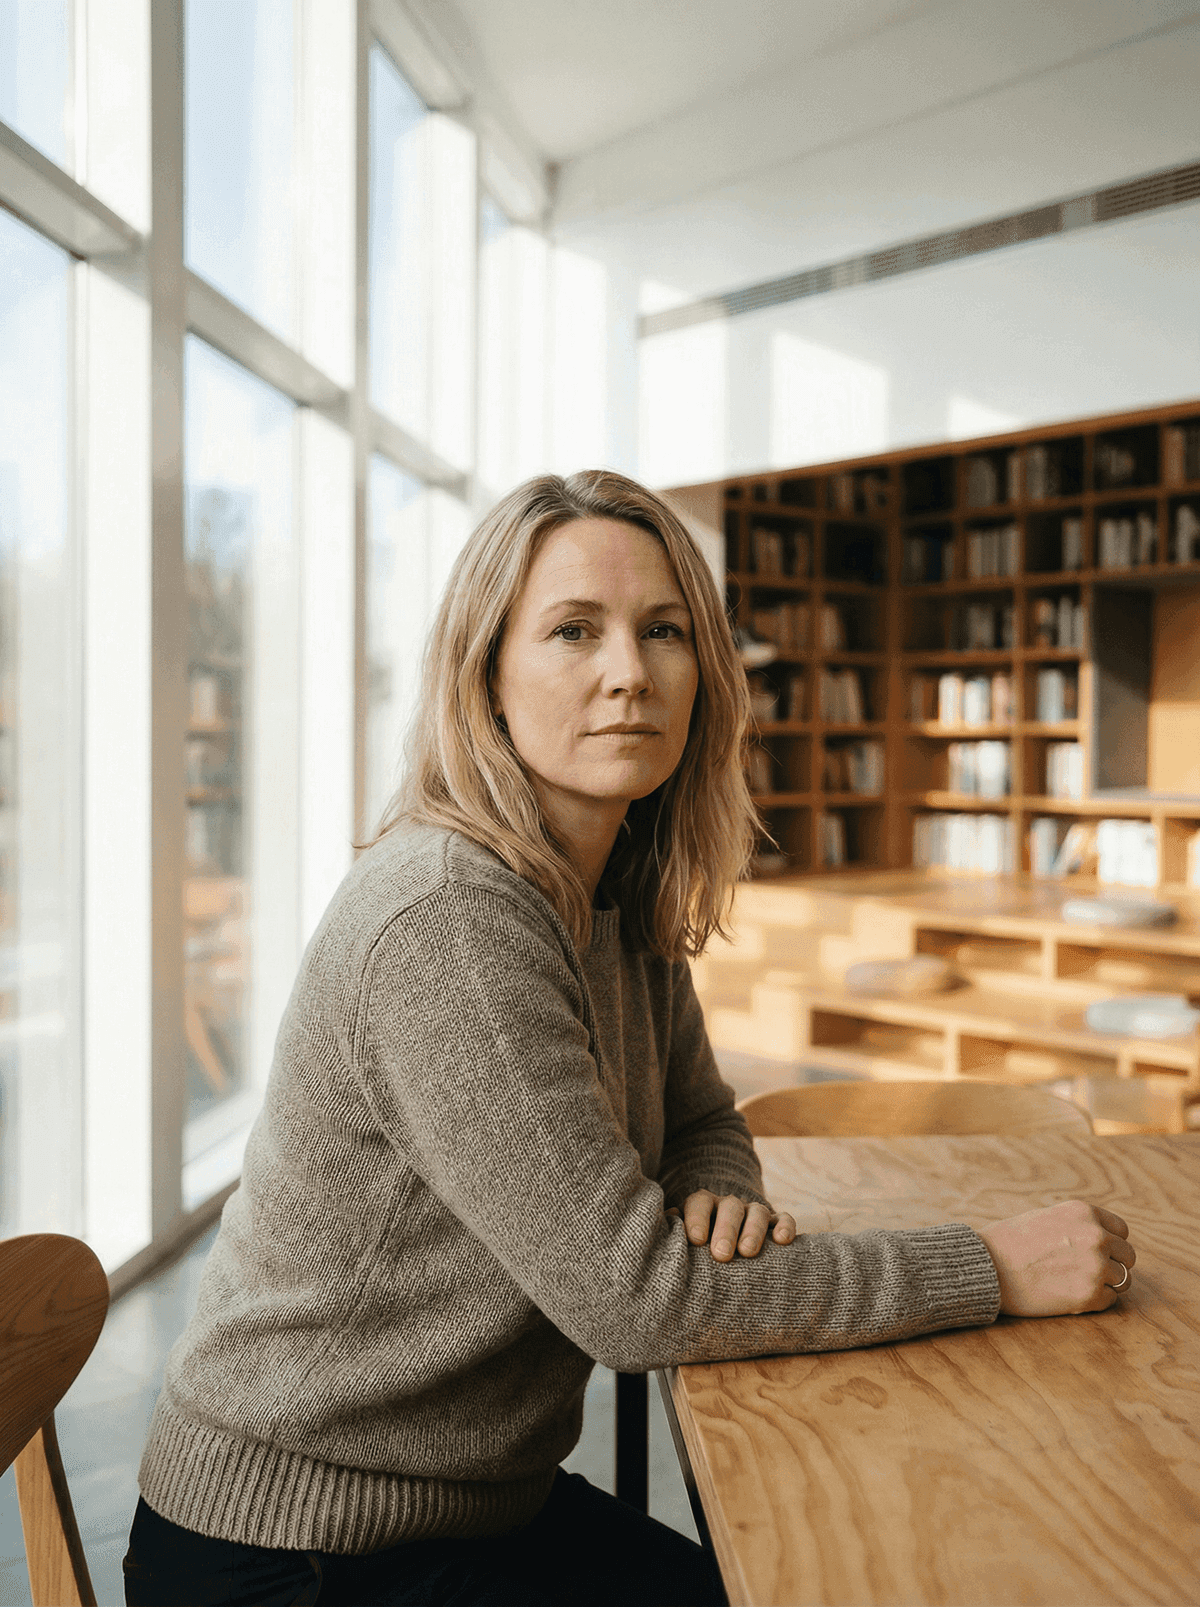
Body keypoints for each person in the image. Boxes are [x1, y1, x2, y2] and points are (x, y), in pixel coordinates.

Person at [124, 470, 1135, 1607]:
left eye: (664, 631)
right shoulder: (451, 917)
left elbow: (703, 1111)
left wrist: (716, 1185)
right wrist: (991, 1266)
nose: (629, 672)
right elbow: (638, 1303)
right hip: (298, 1546)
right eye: (573, 631)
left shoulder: (613, 883)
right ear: (487, 674)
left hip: (470, 1498)